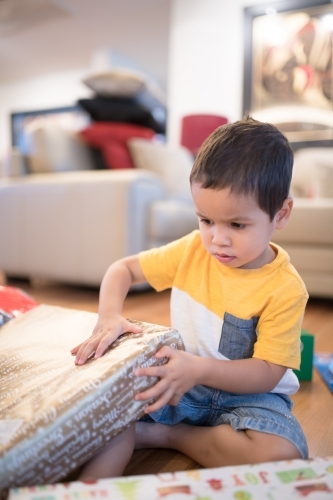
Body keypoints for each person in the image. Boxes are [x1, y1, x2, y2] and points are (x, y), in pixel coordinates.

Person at [71, 116, 309, 479]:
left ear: (281, 214)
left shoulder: (286, 288)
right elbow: (123, 269)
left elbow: (266, 374)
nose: (217, 239)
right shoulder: (193, 250)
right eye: (205, 220)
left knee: (282, 456)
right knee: (111, 409)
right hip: (183, 382)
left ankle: (169, 436)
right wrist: (108, 316)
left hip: (249, 398)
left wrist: (199, 368)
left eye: (237, 225)